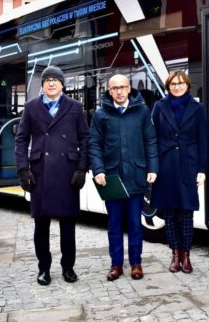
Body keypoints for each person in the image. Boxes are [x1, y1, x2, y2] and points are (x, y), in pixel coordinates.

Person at [15, 65, 89, 286]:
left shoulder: (75, 107)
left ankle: (68, 267)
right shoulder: (31, 107)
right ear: (42, 85)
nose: (52, 83)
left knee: (68, 225)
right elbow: (21, 140)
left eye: (56, 79)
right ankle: (43, 268)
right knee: (41, 226)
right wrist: (23, 169)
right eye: (47, 79)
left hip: (67, 173)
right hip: (40, 173)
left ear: (63, 84)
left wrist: (82, 168)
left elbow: (85, 139)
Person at [89, 74, 158, 281]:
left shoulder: (142, 111)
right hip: (112, 178)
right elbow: (94, 144)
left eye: (122, 87)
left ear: (129, 89)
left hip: (137, 175)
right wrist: (98, 170)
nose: (119, 91)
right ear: (109, 91)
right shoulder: (100, 115)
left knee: (136, 224)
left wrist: (153, 167)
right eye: (114, 88)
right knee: (114, 224)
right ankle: (116, 264)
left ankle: (136, 263)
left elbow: (151, 141)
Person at [150, 70, 208, 274]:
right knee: (170, 213)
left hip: (189, 166)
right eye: (173, 84)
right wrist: (153, 167)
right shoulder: (159, 106)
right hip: (166, 167)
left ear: (187, 86)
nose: (177, 86)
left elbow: (203, 140)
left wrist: (202, 170)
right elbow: (152, 138)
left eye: (181, 83)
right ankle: (175, 254)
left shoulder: (197, 108)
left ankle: (186, 255)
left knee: (186, 213)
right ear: (168, 86)